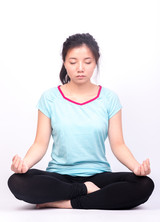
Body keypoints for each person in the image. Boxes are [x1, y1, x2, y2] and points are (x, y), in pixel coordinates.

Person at [8, 33, 154, 210]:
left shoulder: (109, 98)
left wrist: (137, 168)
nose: (80, 68)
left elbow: (118, 145)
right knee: (17, 181)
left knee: (144, 184)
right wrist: (24, 164)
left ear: (95, 63)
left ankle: (65, 202)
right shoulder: (50, 98)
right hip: (59, 176)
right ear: (64, 62)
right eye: (73, 62)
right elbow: (40, 144)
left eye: (87, 62)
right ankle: (85, 191)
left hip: (98, 175)